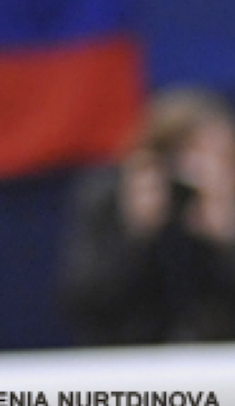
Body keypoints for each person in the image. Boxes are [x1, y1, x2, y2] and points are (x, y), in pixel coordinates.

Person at [60, 87, 235, 345]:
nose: (197, 172)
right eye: (185, 155)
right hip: (133, 358)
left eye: (218, 158)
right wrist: (135, 234)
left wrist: (225, 240)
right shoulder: (110, 200)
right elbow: (84, 303)